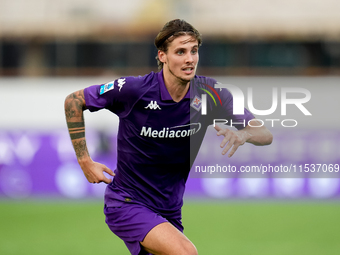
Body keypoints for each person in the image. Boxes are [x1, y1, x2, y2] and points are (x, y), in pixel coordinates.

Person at [64, 19, 273, 255]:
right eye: (180, 52)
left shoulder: (211, 94)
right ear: (162, 56)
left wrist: (243, 134)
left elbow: (264, 134)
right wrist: (84, 160)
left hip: (169, 210)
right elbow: (74, 100)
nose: (190, 59)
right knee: (186, 253)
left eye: (194, 51)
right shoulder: (134, 90)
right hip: (127, 203)